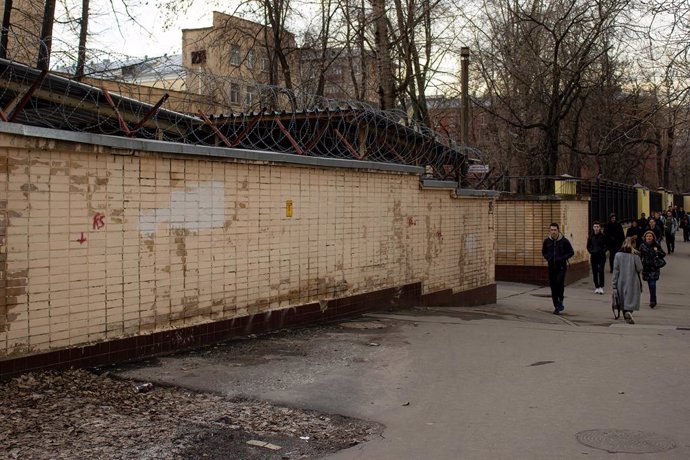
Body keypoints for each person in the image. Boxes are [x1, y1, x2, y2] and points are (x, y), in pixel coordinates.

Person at [542, 223, 575, 314]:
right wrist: (548, 258)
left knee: (559, 283)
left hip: (561, 266)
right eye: (551, 230)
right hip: (551, 267)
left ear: (558, 230)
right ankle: (556, 306)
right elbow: (544, 252)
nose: (553, 232)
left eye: (555, 230)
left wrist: (562, 258)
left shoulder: (564, 241)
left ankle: (561, 299)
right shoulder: (547, 241)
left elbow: (571, 252)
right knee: (553, 286)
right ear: (550, 231)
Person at [612, 237, 643, 324]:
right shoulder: (635, 255)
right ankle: (629, 312)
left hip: (620, 280)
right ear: (633, 244)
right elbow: (640, 268)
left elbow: (616, 270)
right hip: (633, 280)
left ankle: (626, 315)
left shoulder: (618, 255)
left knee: (622, 298)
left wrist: (614, 284)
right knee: (631, 298)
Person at [639, 230, 666, 309]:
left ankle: (652, 300)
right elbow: (639, 256)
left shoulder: (656, 245)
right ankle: (653, 297)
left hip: (654, 267)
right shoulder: (642, 246)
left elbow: (663, 254)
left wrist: (656, 251)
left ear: (653, 237)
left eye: (650, 236)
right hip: (646, 267)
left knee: (652, 284)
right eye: (647, 236)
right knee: (650, 284)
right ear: (645, 237)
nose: (649, 237)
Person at [587, 221, 607, 295]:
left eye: (597, 227)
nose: (596, 228)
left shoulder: (603, 236)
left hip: (601, 256)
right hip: (594, 256)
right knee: (595, 272)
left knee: (601, 270)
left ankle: (601, 287)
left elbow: (606, 245)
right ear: (593, 227)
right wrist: (591, 251)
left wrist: (603, 251)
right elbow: (588, 246)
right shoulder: (591, 236)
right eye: (595, 227)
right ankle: (597, 287)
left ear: (600, 228)